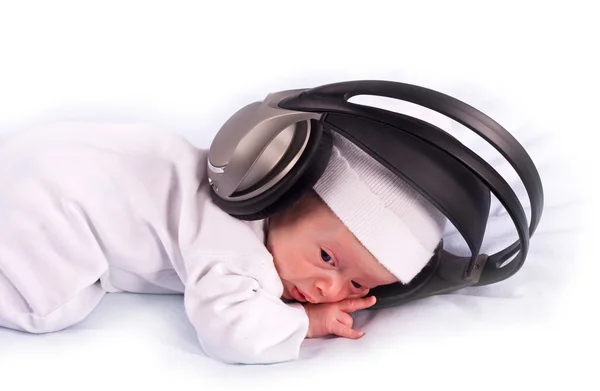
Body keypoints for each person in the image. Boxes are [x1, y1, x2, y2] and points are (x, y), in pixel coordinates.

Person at [0, 121, 446, 364]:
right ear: (284, 194)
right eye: (327, 257)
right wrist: (304, 325)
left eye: (356, 286)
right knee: (49, 309)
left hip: (40, 155)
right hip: (53, 206)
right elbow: (232, 333)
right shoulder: (235, 248)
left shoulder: (235, 181)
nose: (329, 289)